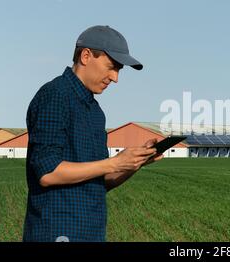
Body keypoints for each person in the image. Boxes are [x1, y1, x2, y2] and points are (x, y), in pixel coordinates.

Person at [23, 25, 162, 242]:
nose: (115, 77)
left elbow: (99, 181)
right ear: (86, 56)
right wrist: (114, 163)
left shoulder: (95, 112)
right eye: (111, 67)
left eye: (118, 70)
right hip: (58, 231)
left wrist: (134, 162)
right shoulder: (55, 95)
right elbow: (47, 172)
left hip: (91, 232)